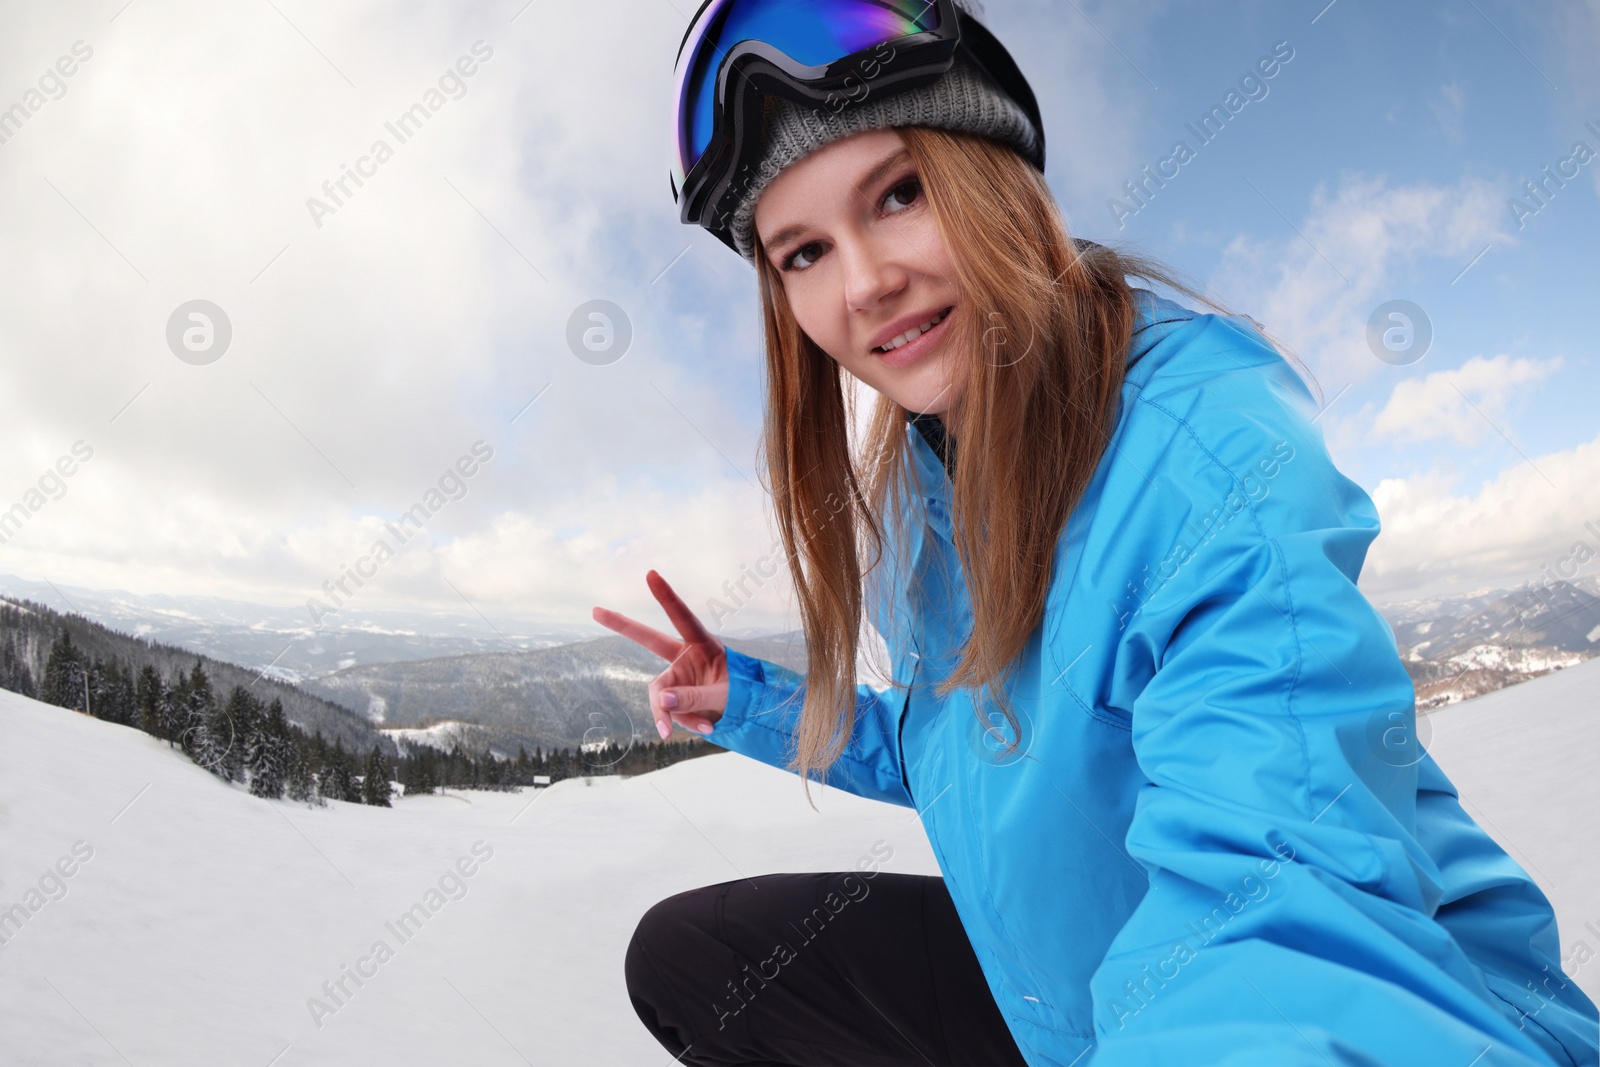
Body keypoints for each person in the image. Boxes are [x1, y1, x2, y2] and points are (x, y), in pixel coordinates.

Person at [596, 1, 1600, 1064]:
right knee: (692, 958)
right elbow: (952, 746)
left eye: (899, 192)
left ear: (994, 175)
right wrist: (744, 702)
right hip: (1065, 1004)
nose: (864, 283)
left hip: (1355, 1013)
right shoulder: (926, 480)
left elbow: (1283, 901)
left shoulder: (1201, 451)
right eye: (801, 252)